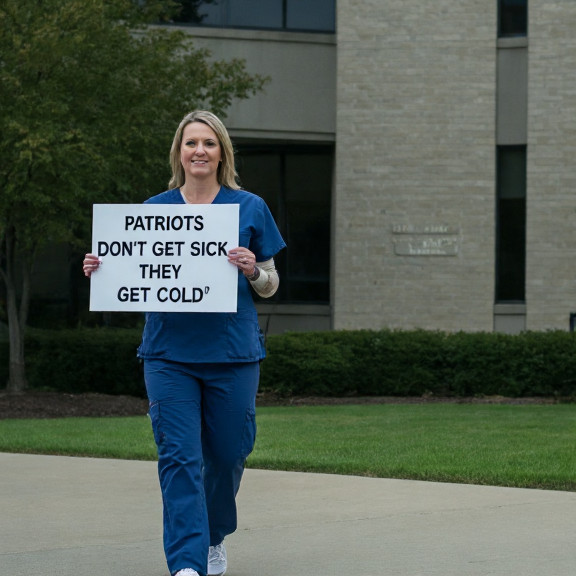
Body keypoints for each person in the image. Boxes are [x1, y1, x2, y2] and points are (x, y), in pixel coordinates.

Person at [83, 110, 286, 576]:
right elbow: (130, 275)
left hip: (233, 355)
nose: (200, 151)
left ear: (221, 154)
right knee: (179, 457)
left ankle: (214, 536)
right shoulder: (152, 211)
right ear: (179, 151)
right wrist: (102, 270)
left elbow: (271, 282)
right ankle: (188, 562)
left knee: (228, 455)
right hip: (168, 355)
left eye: (209, 144)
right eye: (191, 142)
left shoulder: (249, 207)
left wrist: (253, 269)